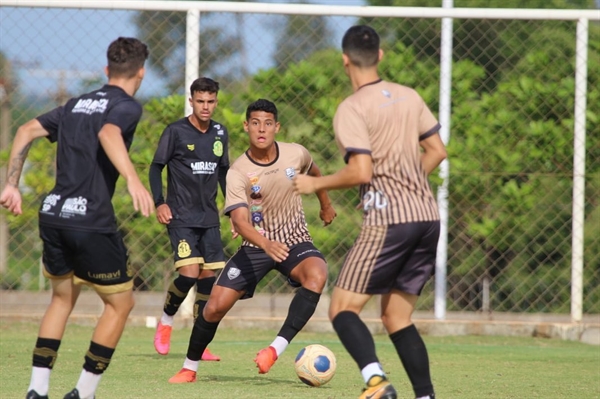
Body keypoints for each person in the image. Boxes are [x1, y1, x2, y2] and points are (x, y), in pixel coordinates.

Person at [293, 25, 447, 399]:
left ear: (345, 60)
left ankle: (376, 382)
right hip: (427, 217)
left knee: (342, 308)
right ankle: (425, 397)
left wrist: (317, 184)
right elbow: (438, 151)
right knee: (396, 317)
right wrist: (405, 182)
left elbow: (361, 171)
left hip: (389, 221)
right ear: (380, 56)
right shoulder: (410, 96)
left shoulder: (352, 108)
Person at [0, 37, 153, 399]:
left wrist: (11, 185)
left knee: (61, 299)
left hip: (53, 214)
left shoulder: (76, 103)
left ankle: (37, 389)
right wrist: (133, 179)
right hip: (90, 220)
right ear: (141, 73)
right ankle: (83, 392)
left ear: (106, 70)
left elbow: (25, 130)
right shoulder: (126, 106)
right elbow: (109, 132)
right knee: (120, 304)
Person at [167, 98, 337, 383]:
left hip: (294, 241)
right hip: (256, 246)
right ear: (246, 126)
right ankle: (189, 368)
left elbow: (315, 170)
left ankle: (274, 349)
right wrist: (266, 244)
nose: (262, 129)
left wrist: (325, 203)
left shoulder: (296, 154)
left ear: (276, 127)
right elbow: (241, 223)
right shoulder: (238, 172)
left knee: (317, 274)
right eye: (255, 123)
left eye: (268, 123)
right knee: (214, 306)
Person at [149, 77, 228, 361]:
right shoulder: (176, 132)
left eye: (210, 101)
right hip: (181, 215)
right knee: (189, 274)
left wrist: (233, 210)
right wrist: (160, 203)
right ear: (191, 100)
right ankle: (166, 321)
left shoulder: (220, 132)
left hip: (210, 217)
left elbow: (223, 173)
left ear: (215, 101)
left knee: (208, 279)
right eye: (200, 101)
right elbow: (156, 167)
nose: (205, 107)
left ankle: (199, 342)